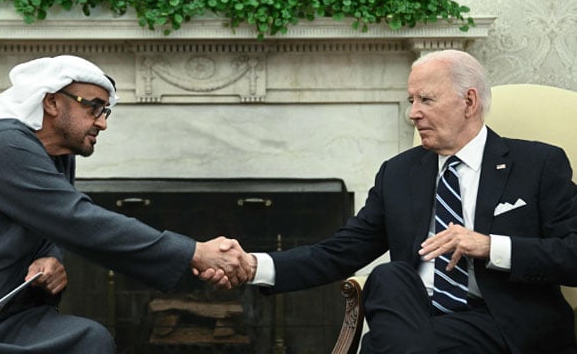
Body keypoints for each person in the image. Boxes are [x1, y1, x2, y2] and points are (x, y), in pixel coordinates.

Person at [201, 49, 577, 353]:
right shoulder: (399, 173)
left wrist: (490, 246)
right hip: (415, 317)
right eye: (411, 100)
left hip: (502, 321)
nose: (413, 113)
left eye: (426, 100)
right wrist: (253, 266)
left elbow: (573, 255)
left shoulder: (538, 164)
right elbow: (340, 252)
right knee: (390, 275)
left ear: (469, 101)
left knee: (382, 345)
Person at [0, 55, 252, 354]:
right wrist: (194, 252)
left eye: (105, 111)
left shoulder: (58, 155)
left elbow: (53, 223)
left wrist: (51, 258)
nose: (102, 123)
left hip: (0, 316)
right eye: (93, 108)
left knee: (89, 338)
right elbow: (78, 220)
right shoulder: (2, 143)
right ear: (52, 102)